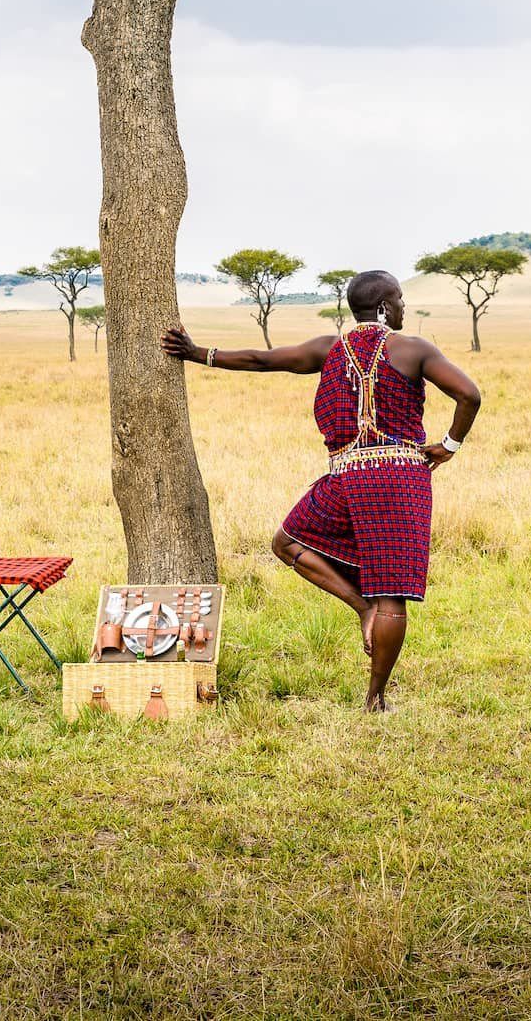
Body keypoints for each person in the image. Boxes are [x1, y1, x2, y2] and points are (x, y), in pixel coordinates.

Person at [162, 270, 480, 711]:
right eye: (401, 299)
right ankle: (374, 692)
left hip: (347, 475)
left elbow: (261, 359)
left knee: (287, 543)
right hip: (402, 480)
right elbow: (469, 395)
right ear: (386, 308)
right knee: (388, 595)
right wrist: (447, 446)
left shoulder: (328, 348)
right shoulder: (414, 349)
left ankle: (364, 619)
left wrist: (199, 354)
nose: (405, 307)